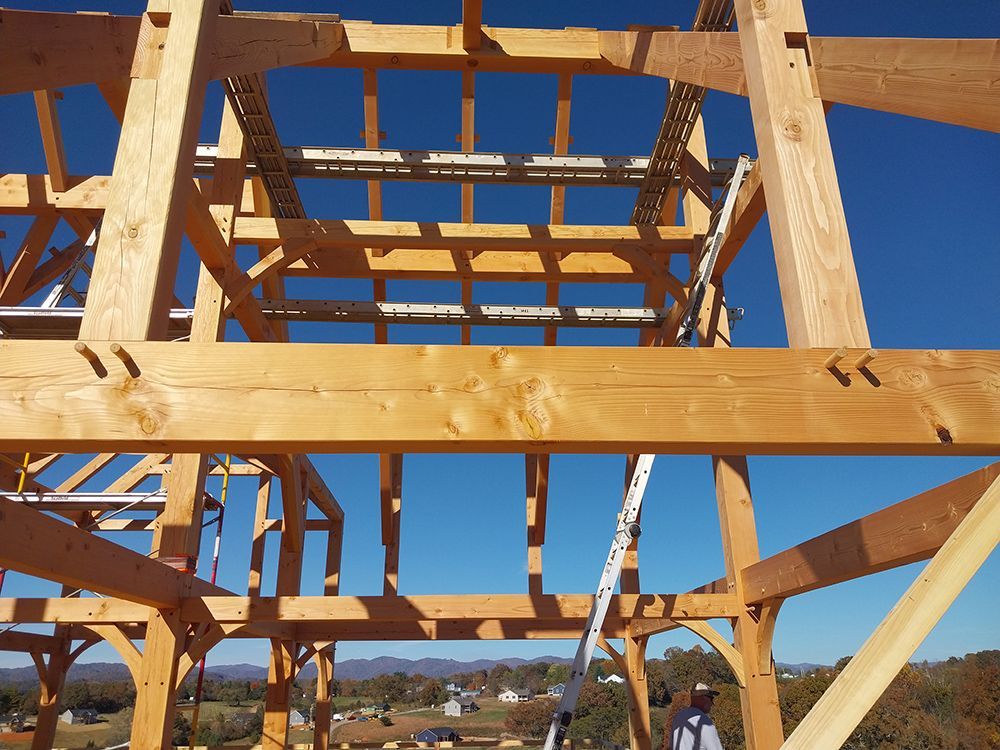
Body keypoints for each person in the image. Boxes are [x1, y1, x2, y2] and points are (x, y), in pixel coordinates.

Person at [670, 683, 724, 750]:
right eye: (711, 698)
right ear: (703, 698)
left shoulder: (678, 717)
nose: (712, 703)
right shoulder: (704, 722)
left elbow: (672, 745)